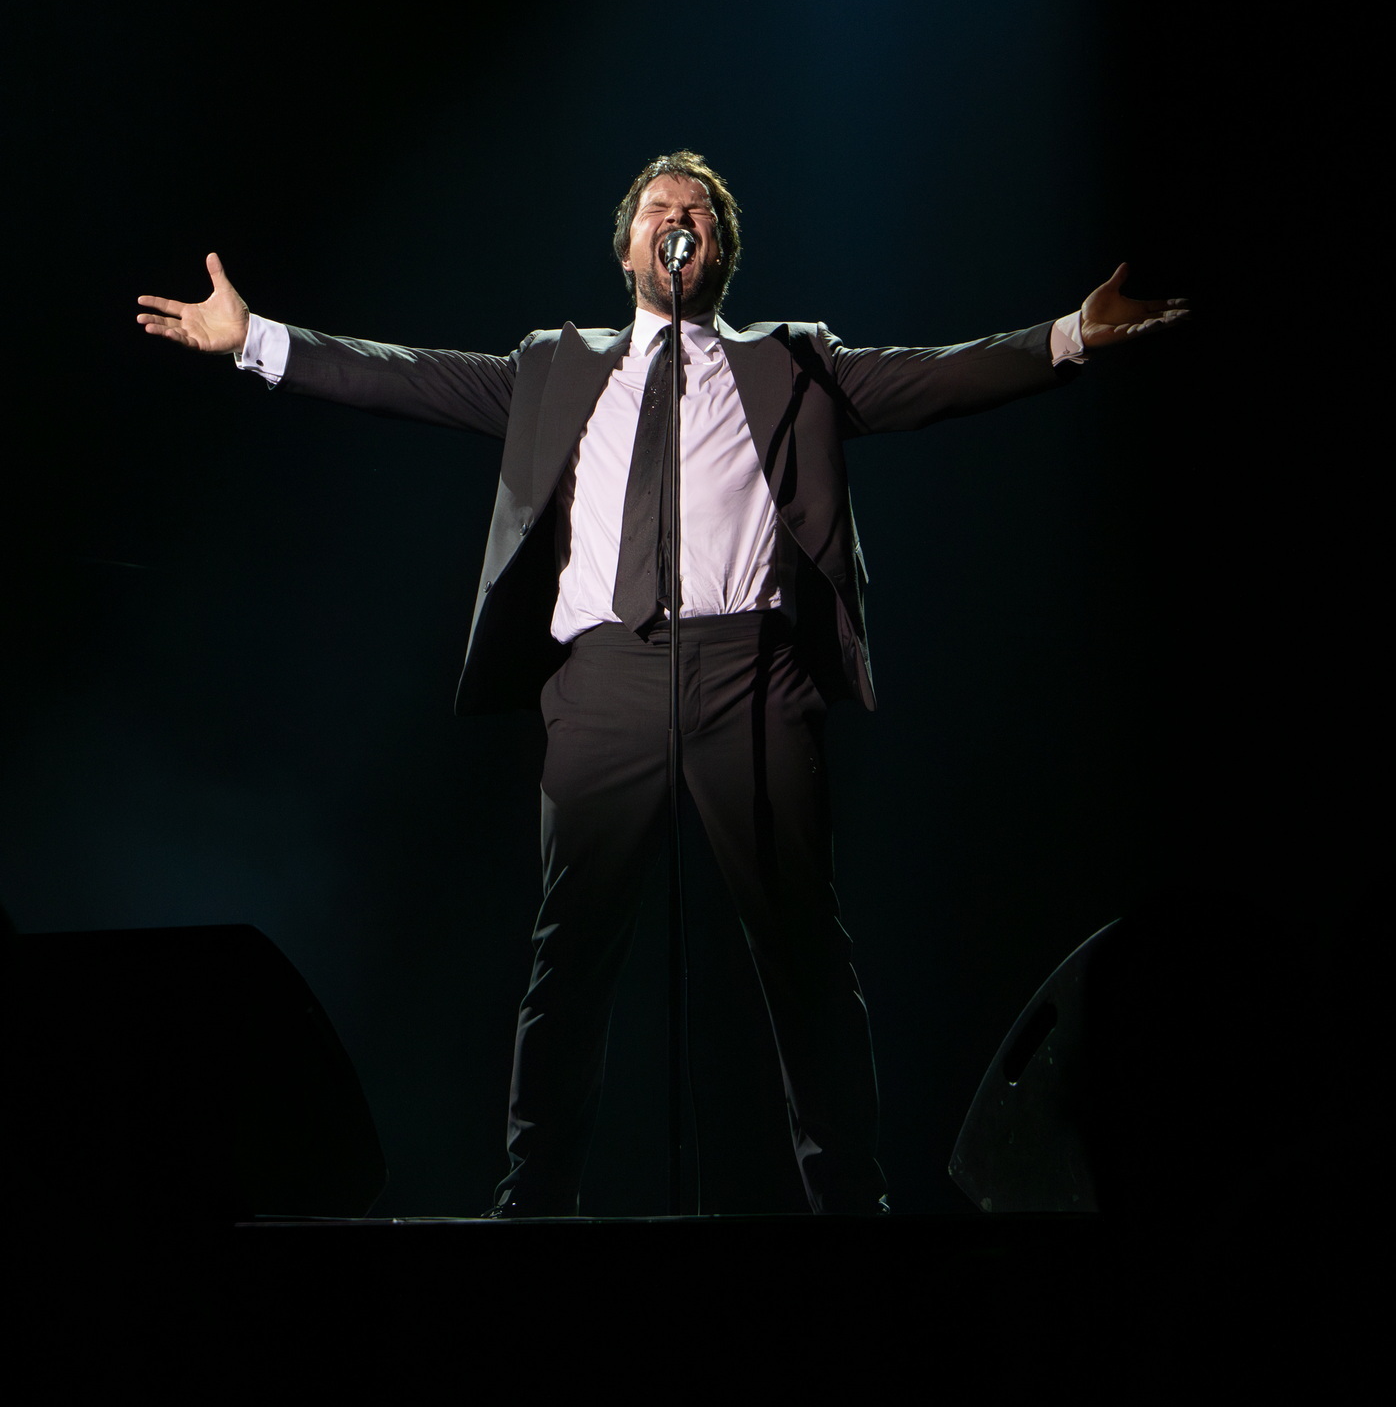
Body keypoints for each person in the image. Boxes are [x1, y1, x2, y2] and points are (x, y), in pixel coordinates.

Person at [137, 149, 1187, 1216]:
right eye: (657, 208)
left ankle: (849, 1200)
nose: (677, 219)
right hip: (604, 684)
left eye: (699, 211)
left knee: (801, 945)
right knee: (572, 951)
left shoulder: (793, 361)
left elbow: (932, 378)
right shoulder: (553, 367)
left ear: (720, 250)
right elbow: (405, 375)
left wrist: (1069, 335)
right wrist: (255, 340)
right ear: (628, 246)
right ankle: (535, 1200)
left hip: (752, 679)